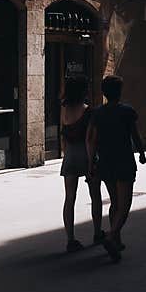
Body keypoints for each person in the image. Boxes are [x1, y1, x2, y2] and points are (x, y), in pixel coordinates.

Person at [86, 75, 146, 262]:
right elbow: (135, 135)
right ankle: (112, 236)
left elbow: (92, 140)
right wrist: (142, 153)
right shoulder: (127, 111)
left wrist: (90, 163)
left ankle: (117, 241)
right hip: (124, 161)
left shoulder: (97, 113)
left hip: (105, 162)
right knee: (125, 204)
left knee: (114, 202)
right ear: (119, 92)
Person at [59, 76, 103, 253]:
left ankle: (70, 239)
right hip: (86, 155)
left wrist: (65, 153)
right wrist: (92, 162)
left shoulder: (64, 109)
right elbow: (89, 140)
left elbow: (64, 134)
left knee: (69, 199)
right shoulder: (89, 112)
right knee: (95, 196)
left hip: (69, 156)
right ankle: (97, 232)